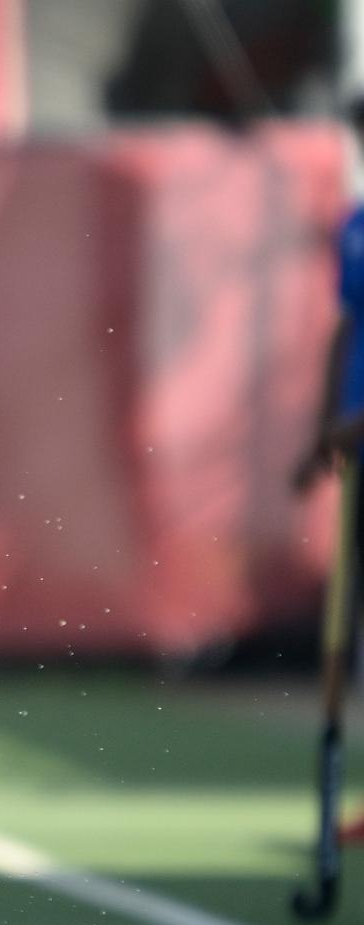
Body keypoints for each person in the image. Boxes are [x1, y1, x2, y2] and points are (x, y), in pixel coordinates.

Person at [295, 96, 364, 846]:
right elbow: (347, 326)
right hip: (355, 450)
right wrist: (322, 432)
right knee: (349, 628)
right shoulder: (355, 225)